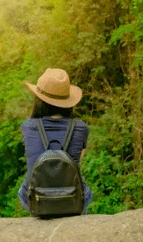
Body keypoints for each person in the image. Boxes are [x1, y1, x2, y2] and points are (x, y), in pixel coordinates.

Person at [18, 68, 92, 215]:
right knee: (86, 190)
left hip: (36, 198)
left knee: (22, 191)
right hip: (72, 198)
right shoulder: (81, 128)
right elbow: (79, 158)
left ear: (39, 100)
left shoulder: (28, 126)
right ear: (68, 101)